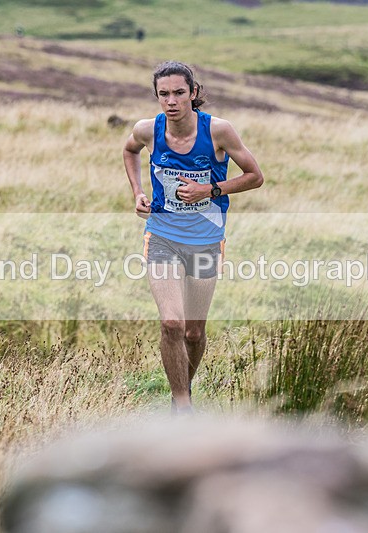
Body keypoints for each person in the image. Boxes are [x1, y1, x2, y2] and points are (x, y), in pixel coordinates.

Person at [123, 61, 263, 412]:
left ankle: (184, 388)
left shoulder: (218, 131)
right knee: (172, 322)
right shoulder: (147, 129)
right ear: (157, 96)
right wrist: (138, 192)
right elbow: (129, 150)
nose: (171, 101)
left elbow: (255, 176)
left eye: (179, 93)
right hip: (162, 236)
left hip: (205, 241)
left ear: (194, 93)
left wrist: (209, 190)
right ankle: (181, 404)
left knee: (193, 333)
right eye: (164, 94)